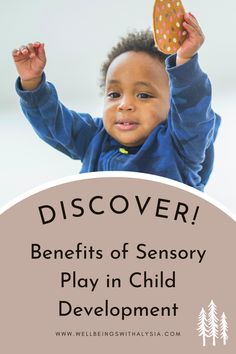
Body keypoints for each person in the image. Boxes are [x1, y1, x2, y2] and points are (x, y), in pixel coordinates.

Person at [12, 13, 221, 191]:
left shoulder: (181, 146)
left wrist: (184, 62)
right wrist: (32, 83)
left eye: (143, 95)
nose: (125, 105)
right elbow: (54, 123)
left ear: (173, 105)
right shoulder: (94, 138)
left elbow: (192, 111)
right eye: (114, 94)